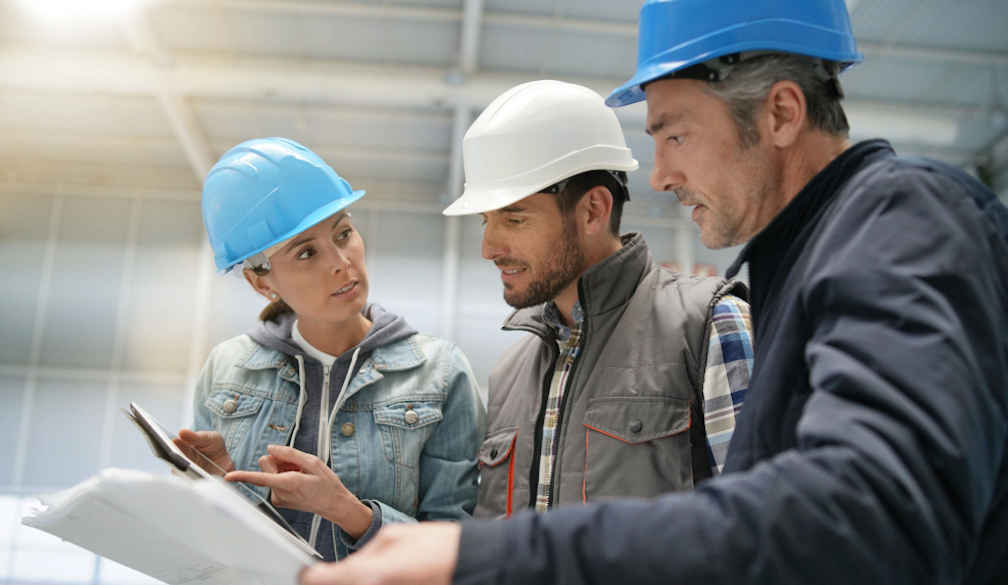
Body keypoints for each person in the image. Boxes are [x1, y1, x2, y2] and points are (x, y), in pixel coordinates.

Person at [298, 1, 1008, 584]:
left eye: (675, 135)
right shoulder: (803, 267)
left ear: (782, 114)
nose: (660, 176)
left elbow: (872, 522)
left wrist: (493, 557)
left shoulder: (903, 221)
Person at [439, 79, 753, 519]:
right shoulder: (510, 374)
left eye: (514, 218)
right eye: (486, 221)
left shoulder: (709, 325)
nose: (489, 247)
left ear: (593, 210)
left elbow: (768, 532)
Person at [174, 137, 486, 562]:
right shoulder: (228, 368)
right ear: (261, 282)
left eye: (344, 232)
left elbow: (454, 549)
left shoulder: (440, 373)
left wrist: (347, 511)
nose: (341, 261)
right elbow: (212, 549)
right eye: (306, 253)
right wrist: (221, 482)